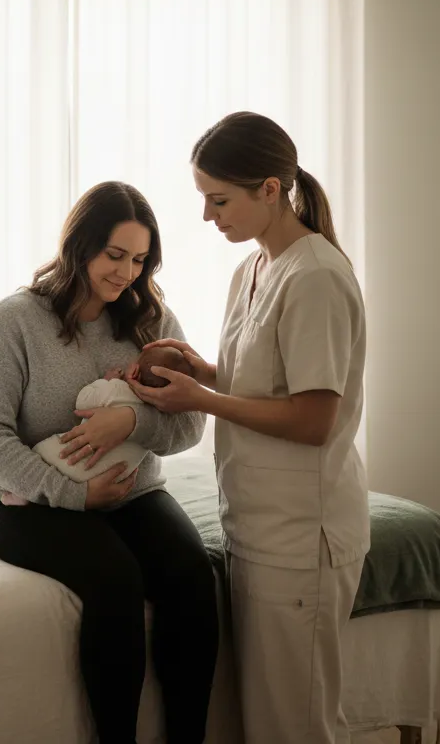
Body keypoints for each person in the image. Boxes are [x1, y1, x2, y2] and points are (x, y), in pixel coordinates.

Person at [128, 111, 369, 744]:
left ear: (269, 189)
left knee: (296, 725)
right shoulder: (254, 268)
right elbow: (263, 383)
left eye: (219, 200)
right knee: (266, 721)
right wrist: (199, 370)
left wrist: (203, 399)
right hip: (256, 523)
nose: (208, 217)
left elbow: (314, 419)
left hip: (301, 535)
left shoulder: (316, 277)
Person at [0, 181, 219, 744]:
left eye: (139, 260)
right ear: (80, 246)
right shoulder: (16, 320)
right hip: (35, 506)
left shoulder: (154, 322)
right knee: (116, 579)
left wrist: (130, 422)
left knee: (192, 575)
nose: (127, 273)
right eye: (115, 255)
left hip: (136, 496)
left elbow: (190, 425)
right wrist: (76, 495)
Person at [29, 344, 197, 485]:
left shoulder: (116, 389)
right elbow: (190, 404)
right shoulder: (165, 408)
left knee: (42, 452)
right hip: (117, 480)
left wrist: (105, 382)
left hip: (69, 468)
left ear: (135, 371)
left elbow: (82, 401)